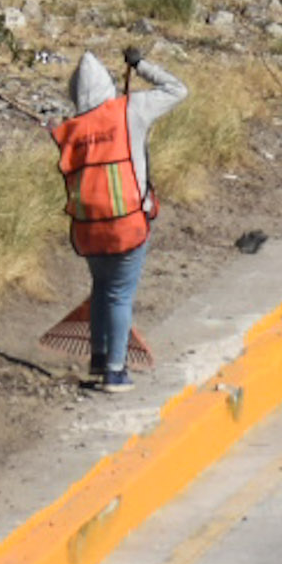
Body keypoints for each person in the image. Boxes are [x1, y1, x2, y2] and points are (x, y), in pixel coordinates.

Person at [54, 46, 188, 391]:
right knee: (119, 294)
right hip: (128, 224)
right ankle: (115, 371)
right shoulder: (131, 110)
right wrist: (140, 65)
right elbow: (177, 89)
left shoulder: (72, 129)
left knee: (102, 288)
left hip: (87, 229)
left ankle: (99, 360)